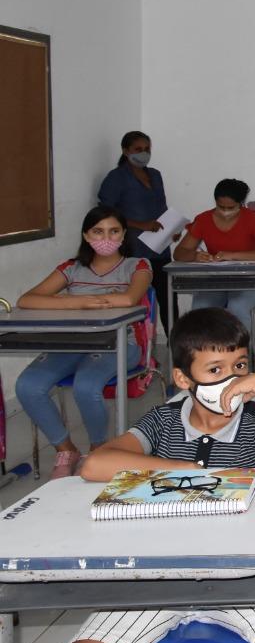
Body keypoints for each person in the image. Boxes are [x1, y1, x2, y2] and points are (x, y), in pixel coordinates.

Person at [73, 307, 255, 643]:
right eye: (215, 370)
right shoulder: (163, 420)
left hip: (243, 577)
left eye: (239, 366)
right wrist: (194, 472)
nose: (231, 379)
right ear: (183, 379)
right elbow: (94, 465)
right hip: (160, 579)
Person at [15, 205, 153, 479]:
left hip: (118, 343)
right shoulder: (71, 268)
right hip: (71, 343)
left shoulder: (136, 265)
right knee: (28, 385)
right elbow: (27, 300)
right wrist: (81, 302)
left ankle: (99, 450)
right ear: (86, 236)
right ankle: (66, 450)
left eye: (114, 231)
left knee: (86, 385)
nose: (106, 238)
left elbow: (129, 299)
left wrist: (62, 301)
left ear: (124, 234)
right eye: (98, 231)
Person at [173, 178, 255, 330]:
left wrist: (232, 255)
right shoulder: (203, 220)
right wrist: (195, 256)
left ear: (241, 204)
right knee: (200, 308)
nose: (225, 212)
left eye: (231, 208)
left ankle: (241, 352)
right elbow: (179, 253)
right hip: (215, 281)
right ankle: (204, 352)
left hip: (249, 281)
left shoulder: (251, 218)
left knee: (238, 308)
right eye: (220, 207)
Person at [98, 130, 173, 332]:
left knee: (168, 302)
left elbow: (162, 209)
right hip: (133, 250)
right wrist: (141, 225)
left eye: (147, 149)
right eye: (138, 149)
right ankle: (139, 349)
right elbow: (105, 213)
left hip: (160, 249)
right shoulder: (117, 177)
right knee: (139, 302)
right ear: (125, 151)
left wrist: (172, 229)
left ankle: (178, 350)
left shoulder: (155, 175)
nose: (144, 153)